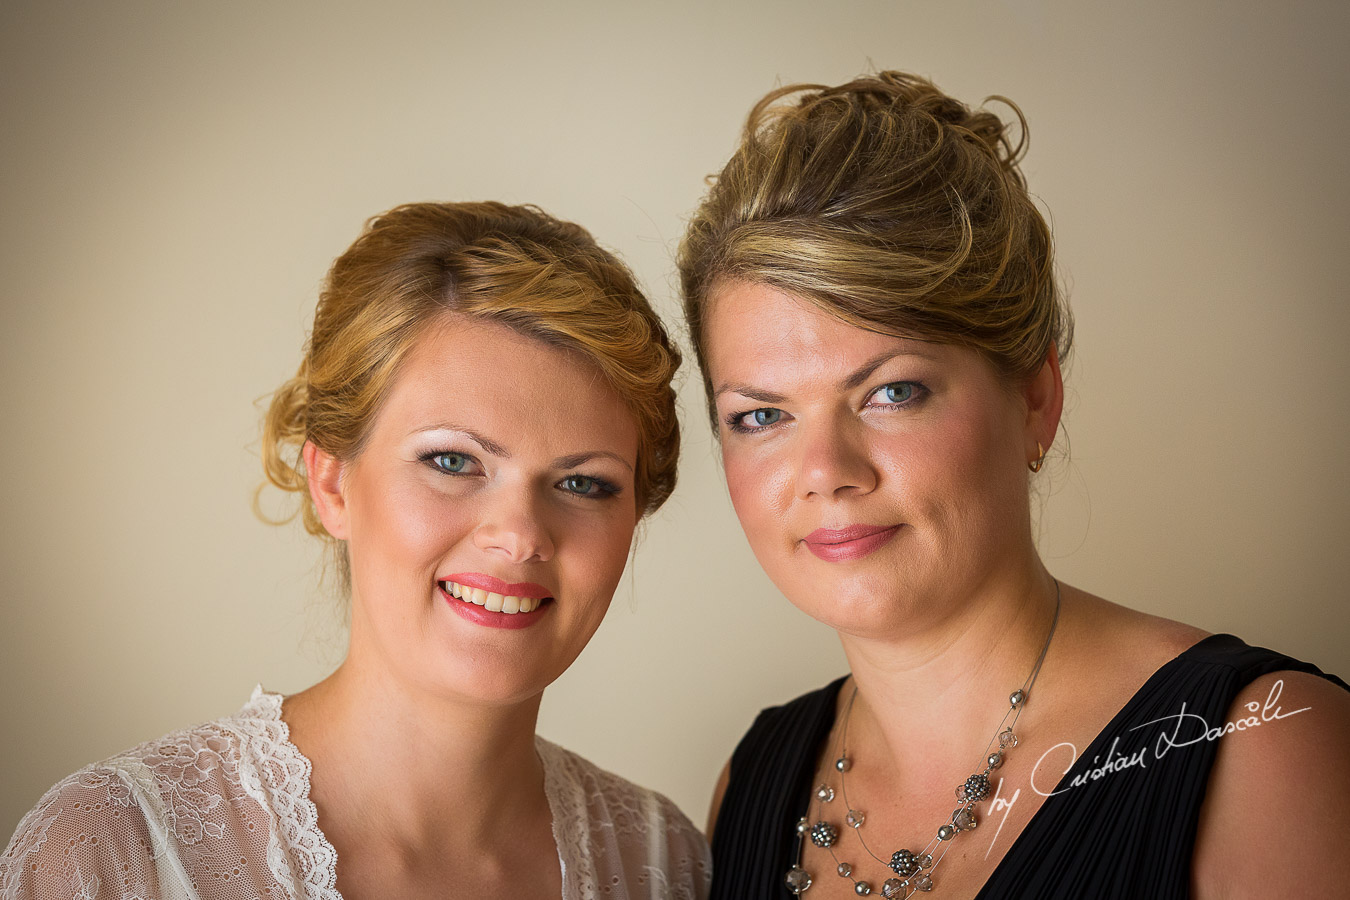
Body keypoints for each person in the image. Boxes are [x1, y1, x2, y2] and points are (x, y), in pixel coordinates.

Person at [677, 72, 1350, 898]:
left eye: (893, 392)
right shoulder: (750, 785)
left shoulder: (1266, 749)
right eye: (761, 416)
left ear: (1035, 400)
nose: (824, 472)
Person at [2, 201, 710, 900]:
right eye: (454, 462)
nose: (520, 535)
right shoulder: (113, 852)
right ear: (332, 482)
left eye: (584, 482)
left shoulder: (663, 861)